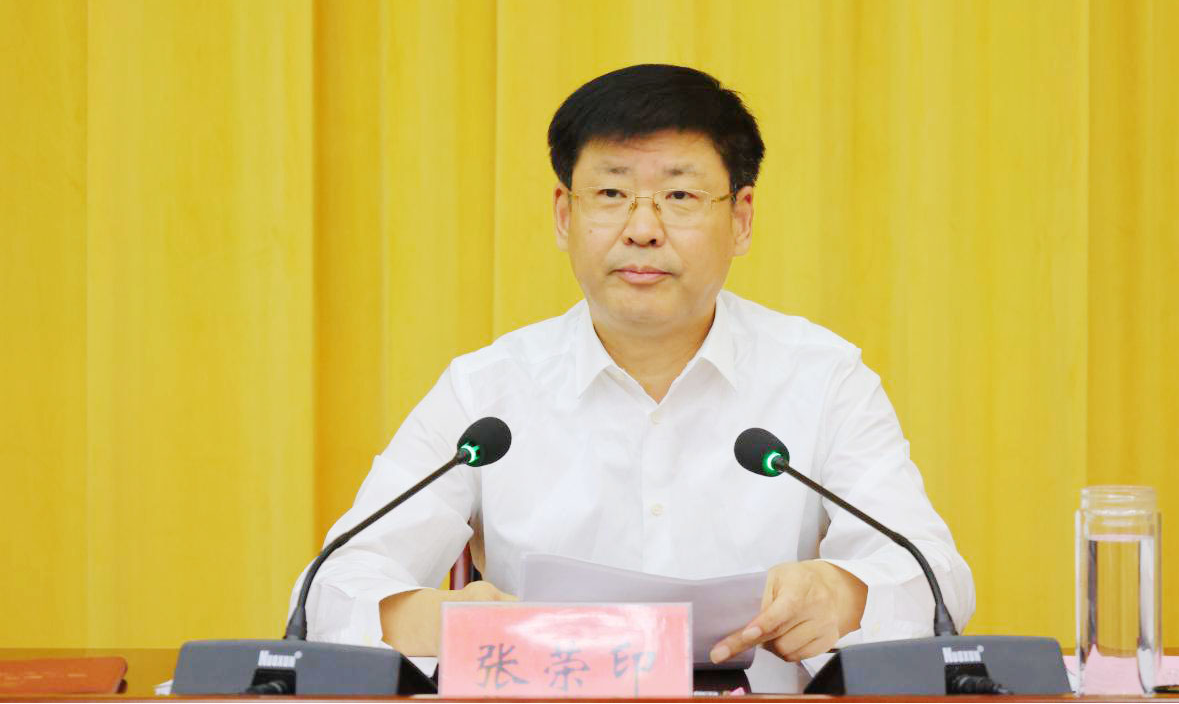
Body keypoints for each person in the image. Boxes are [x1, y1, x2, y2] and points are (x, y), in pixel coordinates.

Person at [290, 63, 974, 688]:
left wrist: (843, 594)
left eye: (679, 195)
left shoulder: (822, 376)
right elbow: (329, 587)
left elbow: (936, 576)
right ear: (565, 216)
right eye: (611, 193)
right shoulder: (486, 392)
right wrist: (437, 620)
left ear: (740, 219)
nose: (642, 228)